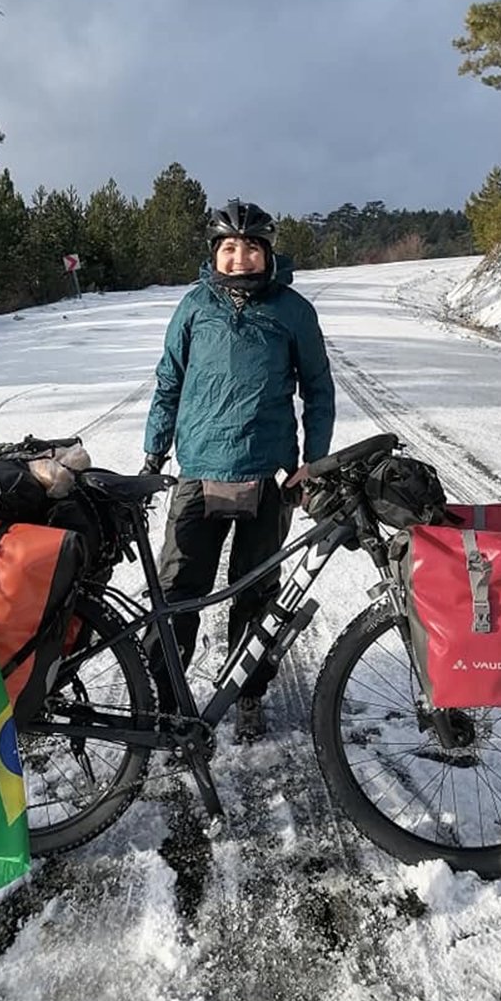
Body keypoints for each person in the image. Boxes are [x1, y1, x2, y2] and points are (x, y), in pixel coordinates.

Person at [141, 198, 335, 741]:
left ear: (267, 252)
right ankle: (165, 696)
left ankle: (248, 694)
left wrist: (312, 463)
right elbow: (168, 382)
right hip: (199, 470)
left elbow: (318, 390)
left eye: (251, 247)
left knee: (256, 592)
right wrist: (154, 453)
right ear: (214, 253)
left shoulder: (293, 311)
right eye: (229, 247)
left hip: (267, 475)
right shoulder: (193, 307)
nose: (240, 257)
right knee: (180, 588)